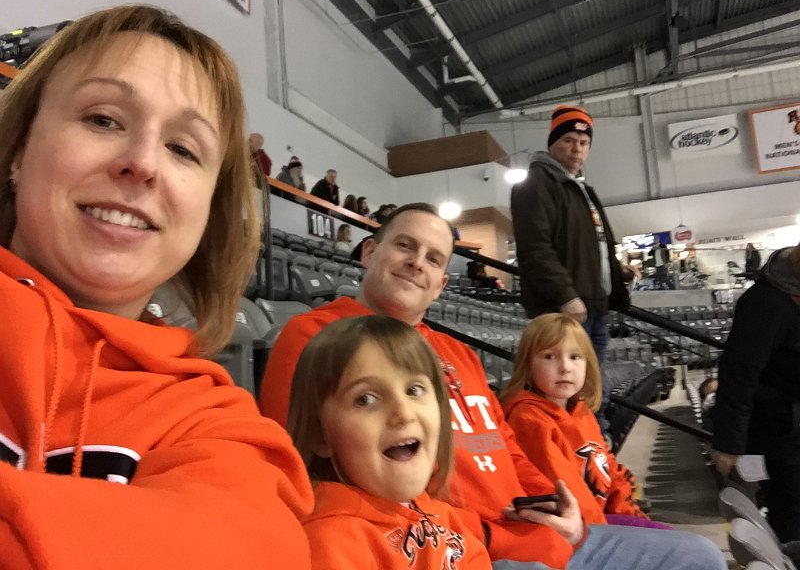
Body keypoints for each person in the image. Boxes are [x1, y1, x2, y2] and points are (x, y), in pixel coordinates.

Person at [0, 4, 313, 567]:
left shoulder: (216, 422)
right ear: (19, 151)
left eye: (183, 149)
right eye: (103, 119)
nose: (142, 162)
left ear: (208, 214)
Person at [259, 202, 727, 570]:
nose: (416, 263)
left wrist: (554, 502)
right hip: (464, 546)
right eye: (404, 246)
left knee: (698, 557)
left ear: (441, 284)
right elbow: (307, 473)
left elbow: (505, 443)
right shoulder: (316, 335)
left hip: (536, 529)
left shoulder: (457, 351)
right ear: (369, 252)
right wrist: (489, 535)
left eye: (433, 258)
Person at [288, 315, 494, 569]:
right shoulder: (332, 541)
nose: (404, 413)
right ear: (320, 435)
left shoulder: (445, 518)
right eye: (365, 399)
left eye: (414, 390)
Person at [510, 105, 632, 423]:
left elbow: (591, 245)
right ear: (552, 143)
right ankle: (571, 446)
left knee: (591, 391)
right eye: (568, 140)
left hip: (595, 305)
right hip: (567, 309)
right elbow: (535, 249)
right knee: (566, 392)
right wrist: (566, 295)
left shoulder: (579, 188)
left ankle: (593, 445)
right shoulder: (536, 184)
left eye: (583, 142)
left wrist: (617, 273)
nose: (577, 148)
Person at [501, 314, 670, 530]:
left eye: (575, 357)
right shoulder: (529, 419)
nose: (565, 367)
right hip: (580, 529)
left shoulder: (581, 412)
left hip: (600, 518)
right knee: (684, 545)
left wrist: (632, 514)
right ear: (528, 365)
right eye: (549, 357)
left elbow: (611, 470)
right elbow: (566, 495)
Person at [712, 244, 800, 543]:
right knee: (792, 517)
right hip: (782, 433)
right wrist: (729, 443)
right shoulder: (767, 302)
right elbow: (739, 373)